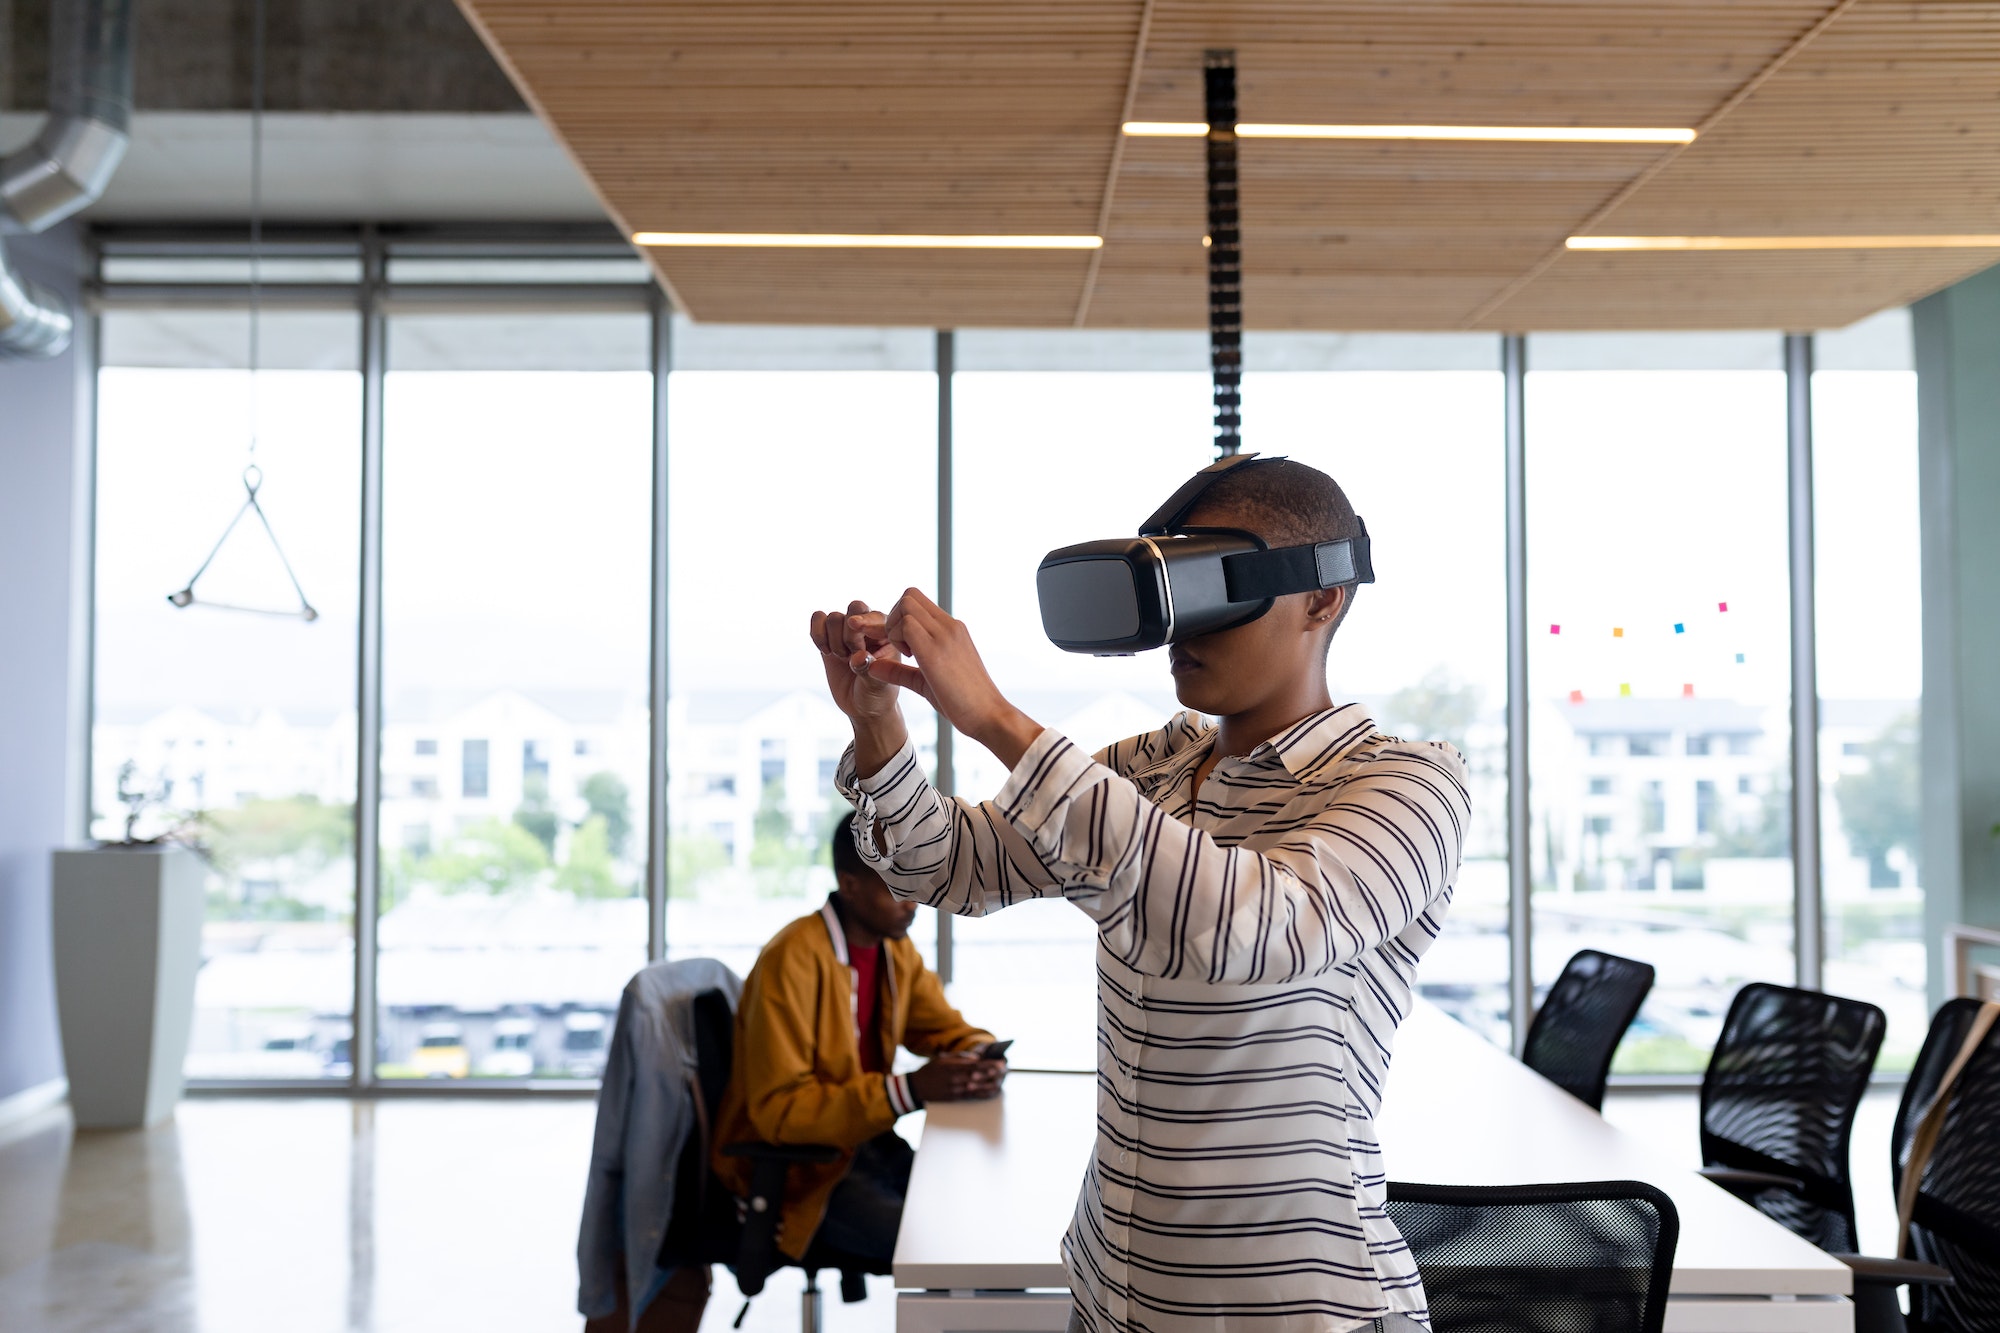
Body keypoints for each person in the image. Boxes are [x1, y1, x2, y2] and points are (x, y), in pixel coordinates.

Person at [812, 458, 1469, 1333]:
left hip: (1295, 1311)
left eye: (1217, 585)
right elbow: (953, 866)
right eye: (1174, 586)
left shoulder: (1405, 783)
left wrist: (1000, 722)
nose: (1182, 630)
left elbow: (1247, 928)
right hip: (1115, 1289)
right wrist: (880, 728)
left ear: (1323, 599)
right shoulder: (1155, 768)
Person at [710, 812, 1007, 1272]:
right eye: (895, 883)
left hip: (865, 1144)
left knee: (979, 1222)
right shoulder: (790, 960)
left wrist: (978, 1055)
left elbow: (943, 1028)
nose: (912, 900)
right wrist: (909, 1090)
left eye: (914, 880)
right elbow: (779, 1113)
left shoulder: (893, 948)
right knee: (941, 1250)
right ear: (849, 885)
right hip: (803, 1174)